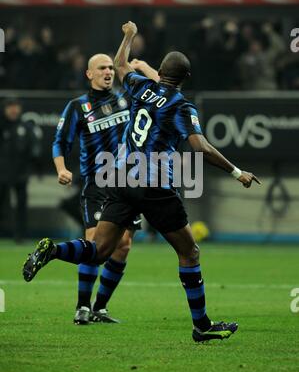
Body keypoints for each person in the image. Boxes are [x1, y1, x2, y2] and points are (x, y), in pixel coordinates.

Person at [22, 22, 261, 343]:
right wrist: (237, 172)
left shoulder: (138, 87)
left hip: (119, 179)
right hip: (154, 185)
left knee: (99, 250)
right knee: (189, 252)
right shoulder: (181, 106)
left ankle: (53, 251)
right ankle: (202, 325)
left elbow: (122, 64)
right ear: (186, 78)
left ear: (158, 71)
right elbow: (200, 147)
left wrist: (128, 37)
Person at [51, 53, 144, 325]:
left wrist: (139, 66)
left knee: (123, 245)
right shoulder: (78, 106)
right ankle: (81, 306)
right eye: (102, 68)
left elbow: (160, 86)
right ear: (89, 74)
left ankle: (99, 308)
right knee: (94, 244)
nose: (108, 72)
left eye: (110, 68)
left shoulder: (127, 98)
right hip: (97, 185)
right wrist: (61, 168)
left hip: (128, 183)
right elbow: (60, 141)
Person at [0, 98, 42, 242]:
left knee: (21, 205)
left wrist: (34, 168)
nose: (13, 110)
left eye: (15, 106)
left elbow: (34, 149)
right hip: (2, 173)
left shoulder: (26, 128)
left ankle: (20, 235)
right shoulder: (2, 126)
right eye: (10, 107)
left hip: (20, 173)